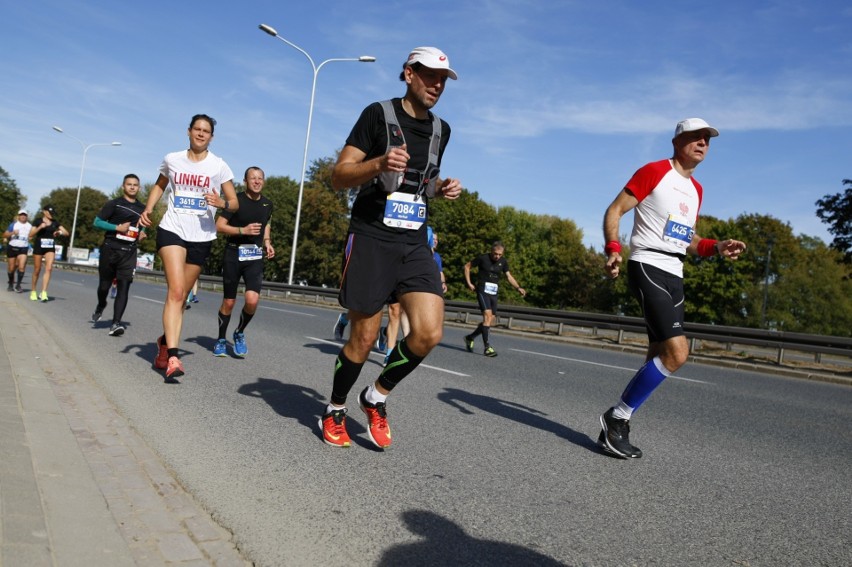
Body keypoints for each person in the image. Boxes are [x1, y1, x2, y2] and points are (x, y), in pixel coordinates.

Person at [320, 46, 462, 449]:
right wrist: (379, 164)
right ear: (408, 74)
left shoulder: (441, 130)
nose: (437, 85)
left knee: (429, 333)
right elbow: (339, 176)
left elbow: (422, 183)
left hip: (414, 240)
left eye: (443, 79)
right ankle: (334, 407)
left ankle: (376, 396)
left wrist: (441, 187)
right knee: (363, 340)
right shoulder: (376, 115)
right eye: (430, 75)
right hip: (371, 237)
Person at [597, 118, 747, 459]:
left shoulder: (697, 190)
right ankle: (616, 417)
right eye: (696, 137)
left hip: (675, 273)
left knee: (656, 355)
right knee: (678, 352)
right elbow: (615, 209)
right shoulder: (653, 171)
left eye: (707, 140)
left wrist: (717, 246)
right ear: (677, 140)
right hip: (647, 264)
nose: (703, 144)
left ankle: (617, 427)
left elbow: (688, 240)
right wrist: (613, 250)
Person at [139, 114, 238, 382]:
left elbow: (234, 203)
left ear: (212, 137)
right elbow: (160, 186)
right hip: (172, 228)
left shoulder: (219, 166)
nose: (201, 134)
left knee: (181, 299)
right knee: (177, 290)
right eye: (198, 129)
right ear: (189, 131)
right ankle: (173, 354)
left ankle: (163, 341)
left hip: (202, 235)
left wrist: (221, 203)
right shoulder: (172, 159)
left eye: (207, 131)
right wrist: (148, 209)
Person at [212, 166, 274, 358]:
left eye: (260, 178)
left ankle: (239, 332)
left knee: (252, 299)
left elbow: (267, 224)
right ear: (245, 181)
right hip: (233, 254)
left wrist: (267, 242)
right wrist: (242, 231)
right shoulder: (235, 201)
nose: (256, 181)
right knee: (229, 302)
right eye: (252, 178)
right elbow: (219, 226)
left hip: (254, 257)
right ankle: (221, 339)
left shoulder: (267, 204)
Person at [378, 227, 446, 366]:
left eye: (436, 240)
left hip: (411, 286)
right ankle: (390, 354)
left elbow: (438, 272)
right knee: (394, 312)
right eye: (432, 239)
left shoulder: (435, 257)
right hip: (395, 277)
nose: (434, 241)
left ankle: (393, 339)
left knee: (406, 315)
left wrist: (442, 283)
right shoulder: (404, 244)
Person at [91, 174, 147, 336]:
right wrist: (116, 228)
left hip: (129, 252)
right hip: (110, 249)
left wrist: (142, 233)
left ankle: (116, 323)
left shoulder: (142, 209)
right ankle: (101, 305)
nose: (132, 187)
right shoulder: (114, 204)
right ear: (123, 186)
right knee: (104, 286)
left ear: (139, 188)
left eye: (135, 185)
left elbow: (142, 227)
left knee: (124, 287)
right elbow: (97, 222)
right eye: (129, 184)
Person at [463, 241, 526, 357]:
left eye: (500, 254)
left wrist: (518, 287)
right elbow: (467, 267)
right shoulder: (483, 258)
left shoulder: (503, 262)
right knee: (487, 316)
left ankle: (470, 337)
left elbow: (508, 276)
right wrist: (469, 283)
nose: (497, 256)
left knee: (490, 320)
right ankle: (487, 347)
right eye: (495, 254)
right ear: (491, 251)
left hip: (493, 293)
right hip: (482, 290)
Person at [28, 205, 69, 302]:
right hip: (39, 246)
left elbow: (66, 233)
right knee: (37, 269)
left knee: (49, 268)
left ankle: (43, 292)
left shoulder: (55, 223)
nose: (51, 215)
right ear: (44, 212)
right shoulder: (38, 221)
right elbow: (30, 235)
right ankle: (33, 291)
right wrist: (40, 227)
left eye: (52, 213)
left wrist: (59, 232)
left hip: (50, 247)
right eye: (50, 213)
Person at [4, 210, 32, 292]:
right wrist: (12, 232)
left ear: (26, 216)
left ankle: (18, 285)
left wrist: (31, 236)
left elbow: (33, 234)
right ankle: (10, 284)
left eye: (24, 215)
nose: (23, 216)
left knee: (21, 267)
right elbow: (5, 235)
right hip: (12, 247)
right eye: (21, 215)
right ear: (18, 216)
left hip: (23, 248)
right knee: (11, 268)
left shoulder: (30, 226)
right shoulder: (13, 225)